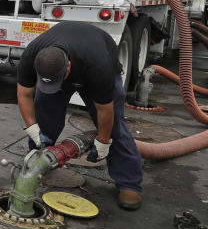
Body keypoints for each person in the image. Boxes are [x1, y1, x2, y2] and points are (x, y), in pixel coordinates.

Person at [16, 22, 144, 210]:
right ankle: (37, 166)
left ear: (67, 67)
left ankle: (129, 183)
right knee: (43, 118)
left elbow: (105, 110)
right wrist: (34, 131)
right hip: (64, 66)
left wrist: (102, 143)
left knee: (114, 128)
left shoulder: (98, 66)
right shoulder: (32, 55)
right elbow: (24, 94)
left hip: (93, 63)